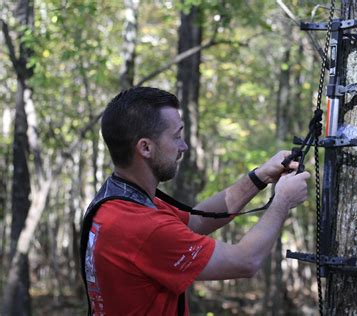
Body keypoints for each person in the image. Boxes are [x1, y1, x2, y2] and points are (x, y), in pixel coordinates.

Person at [80, 86, 310, 315]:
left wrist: (260, 176)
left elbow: (195, 222)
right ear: (146, 147)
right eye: (176, 136)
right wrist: (283, 200)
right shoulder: (141, 225)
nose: (184, 146)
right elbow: (245, 261)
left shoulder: (120, 200)